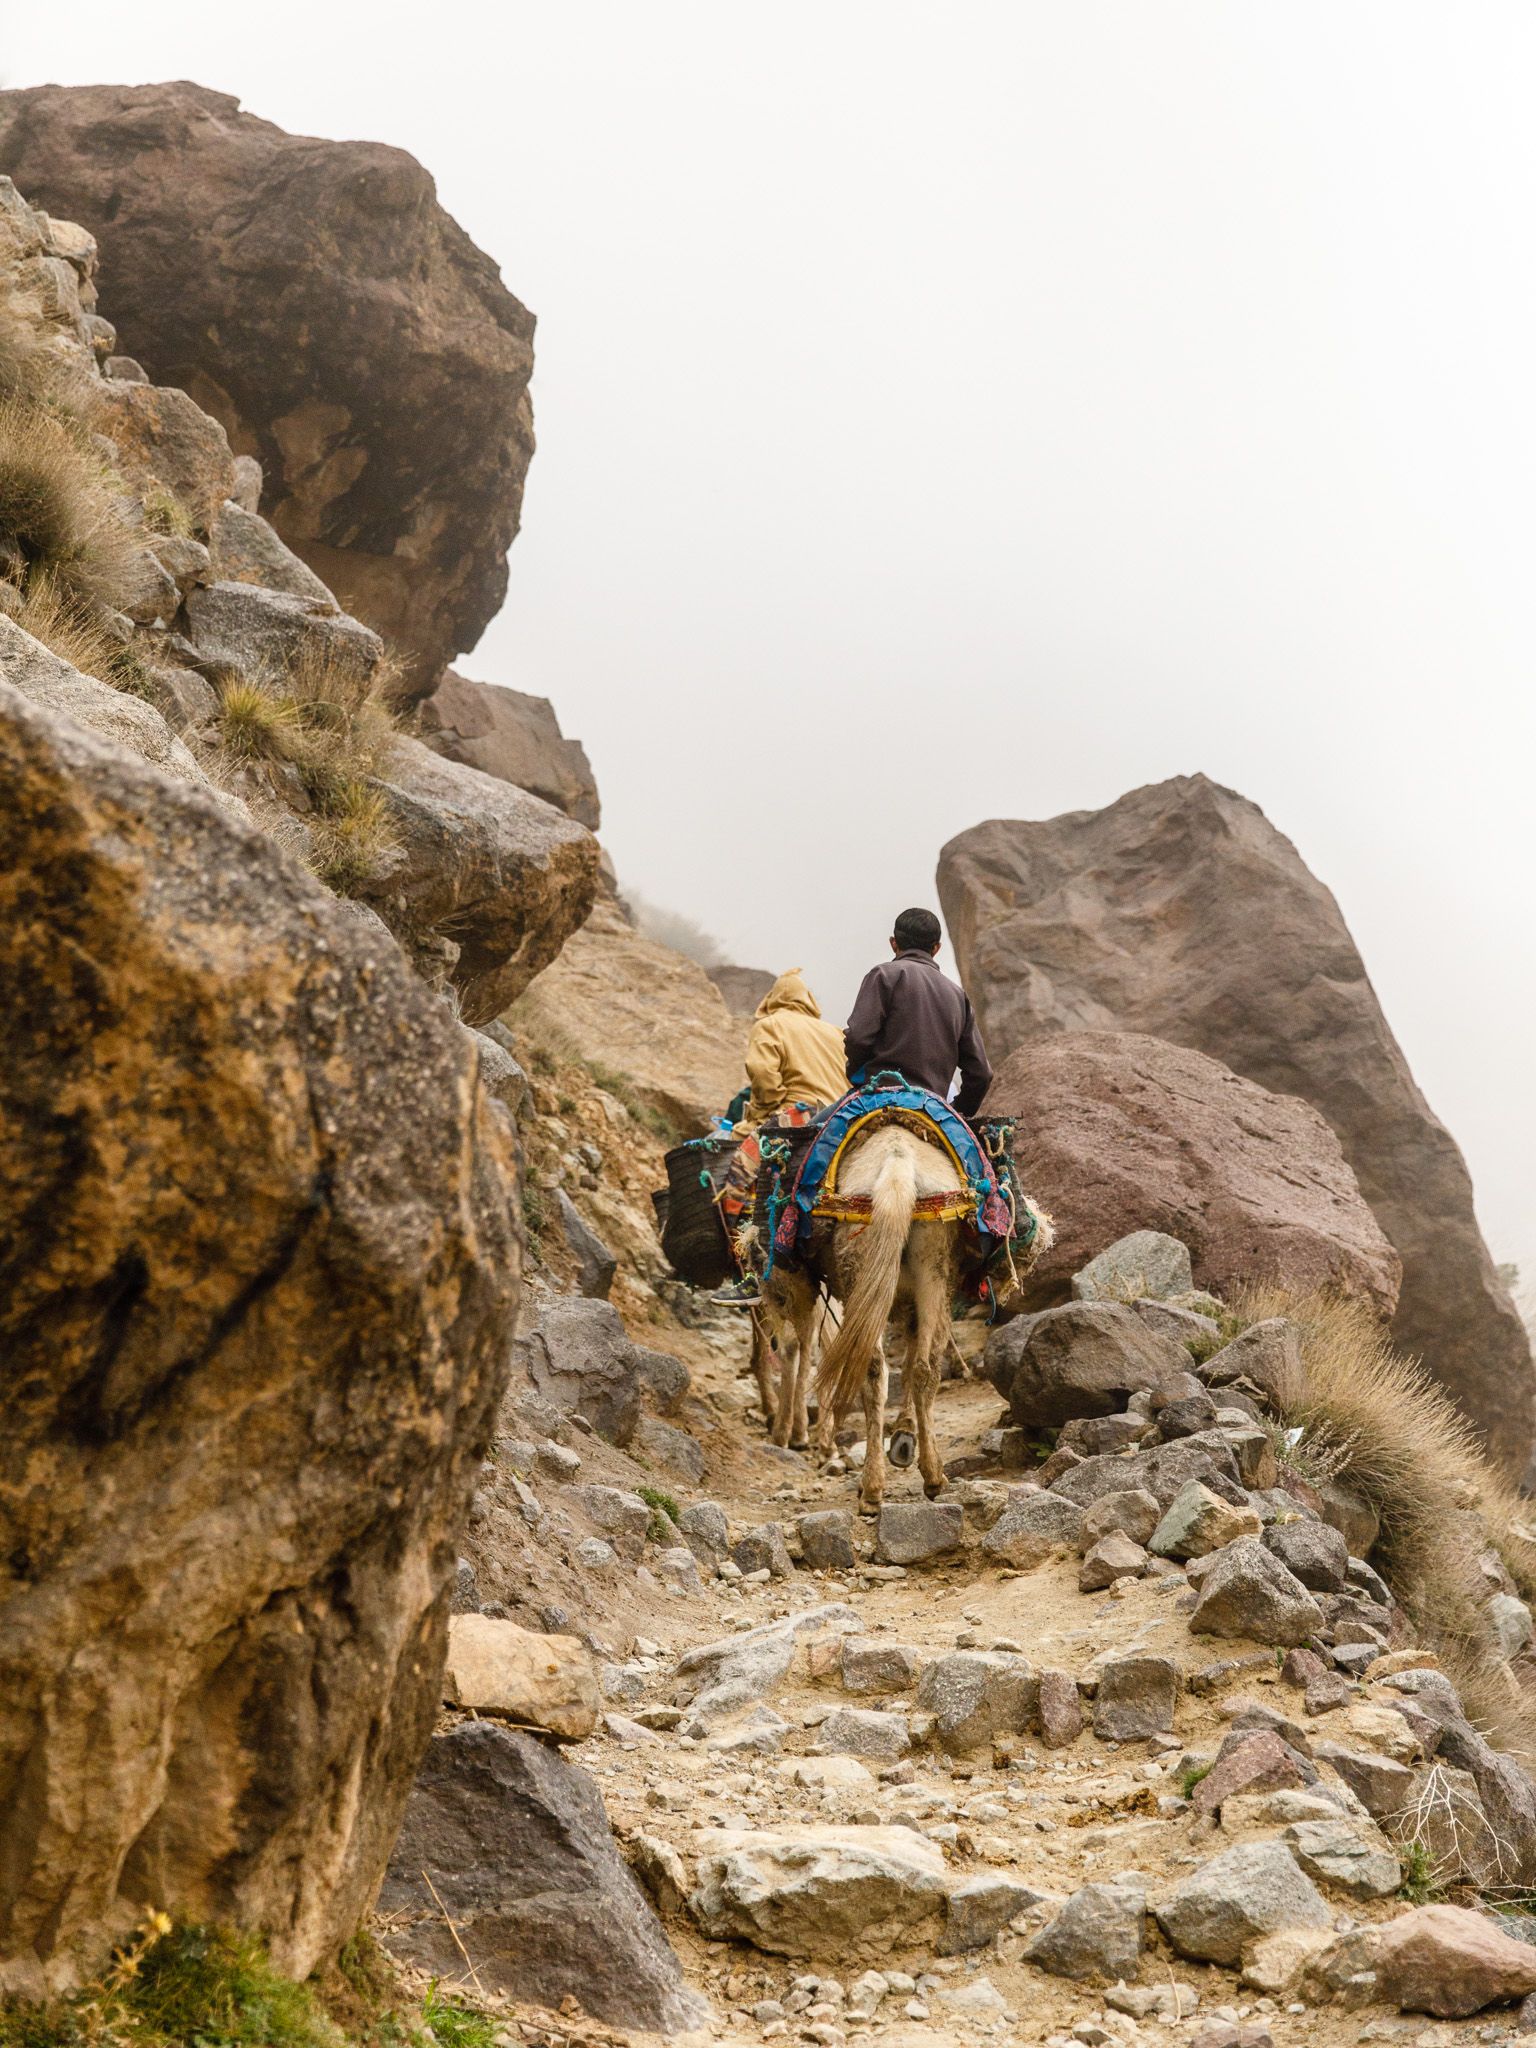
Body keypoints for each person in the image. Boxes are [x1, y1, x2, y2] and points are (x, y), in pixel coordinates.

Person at [711, 969, 849, 1305]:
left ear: (773, 1000)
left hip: (795, 1119)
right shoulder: (833, 1033)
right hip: (840, 1123)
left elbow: (763, 1076)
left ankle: (751, 1274)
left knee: (738, 1182)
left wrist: (761, 1112)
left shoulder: (770, 1025)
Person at [844, 906, 993, 1116]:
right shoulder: (959, 997)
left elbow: (858, 1039)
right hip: (934, 1108)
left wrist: (857, 1075)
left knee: (811, 1135)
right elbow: (981, 1074)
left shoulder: (883, 975)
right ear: (936, 948)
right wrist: (957, 1113)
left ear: (894, 943)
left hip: (877, 1098)